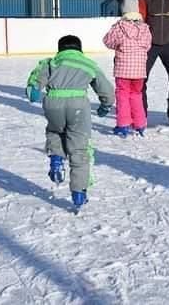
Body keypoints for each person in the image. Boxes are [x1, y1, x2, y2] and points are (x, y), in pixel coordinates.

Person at [25, 35, 115, 210]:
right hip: (78, 107)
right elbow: (107, 91)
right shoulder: (88, 64)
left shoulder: (51, 63)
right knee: (80, 149)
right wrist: (105, 106)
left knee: (54, 131)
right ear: (79, 50)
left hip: (53, 104)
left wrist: (34, 93)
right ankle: (79, 193)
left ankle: (57, 158)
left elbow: (34, 85)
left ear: (60, 50)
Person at [103, 0, 152, 137]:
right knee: (136, 95)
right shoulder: (145, 28)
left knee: (123, 96)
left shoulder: (119, 27)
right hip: (139, 71)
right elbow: (148, 45)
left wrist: (119, 46)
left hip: (123, 70)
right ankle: (140, 124)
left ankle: (123, 125)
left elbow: (108, 41)